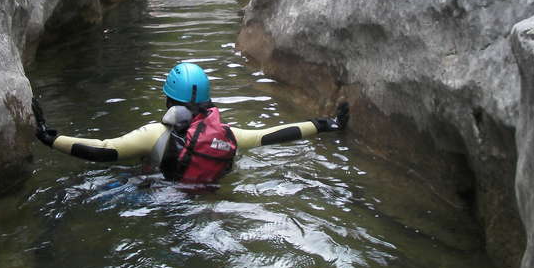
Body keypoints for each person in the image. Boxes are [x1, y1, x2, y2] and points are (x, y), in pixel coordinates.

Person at [32, 62, 349, 184]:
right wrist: (326, 124)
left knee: (119, 183)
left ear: (169, 99)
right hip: (210, 199)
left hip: (166, 200)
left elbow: (102, 151)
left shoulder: (154, 133)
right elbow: (275, 135)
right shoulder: (228, 134)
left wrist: (50, 138)